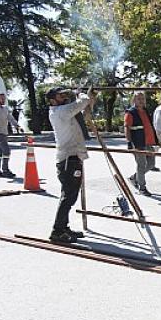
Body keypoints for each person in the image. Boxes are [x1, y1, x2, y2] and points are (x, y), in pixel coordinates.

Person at [47, 86, 95, 243]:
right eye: (60, 96)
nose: (64, 98)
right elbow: (83, 101)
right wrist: (80, 93)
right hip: (69, 158)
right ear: (53, 100)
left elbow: (84, 108)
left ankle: (63, 227)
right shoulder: (60, 111)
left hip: (72, 157)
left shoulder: (63, 110)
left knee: (70, 195)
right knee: (68, 196)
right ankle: (57, 230)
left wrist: (86, 97)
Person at [124, 91, 158, 196]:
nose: (141, 101)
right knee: (141, 165)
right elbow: (127, 128)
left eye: (143, 99)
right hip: (138, 143)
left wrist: (156, 141)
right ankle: (142, 188)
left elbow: (149, 126)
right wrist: (129, 142)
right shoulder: (130, 112)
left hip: (148, 142)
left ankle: (134, 178)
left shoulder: (145, 111)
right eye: (139, 99)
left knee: (151, 163)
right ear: (134, 100)